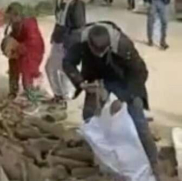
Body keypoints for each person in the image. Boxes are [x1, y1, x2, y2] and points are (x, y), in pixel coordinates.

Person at [62, 21, 159, 178]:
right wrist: (81, 83)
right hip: (96, 77)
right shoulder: (78, 40)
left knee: (138, 121)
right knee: (90, 117)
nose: (99, 54)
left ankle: (154, 165)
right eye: (95, 51)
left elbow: (140, 73)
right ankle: (101, 158)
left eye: (103, 51)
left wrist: (123, 98)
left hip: (123, 79)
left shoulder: (123, 45)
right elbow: (68, 63)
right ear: (89, 45)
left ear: (109, 46)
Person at [45, 0, 86, 107]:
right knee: (50, 67)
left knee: (65, 70)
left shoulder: (77, 3)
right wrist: (54, 34)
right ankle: (58, 94)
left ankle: (66, 98)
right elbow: (59, 20)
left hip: (70, 41)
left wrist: (71, 43)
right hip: (58, 38)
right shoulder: (59, 0)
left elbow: (79, 26)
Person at [2, 2, 45, 99]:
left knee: (27, 72)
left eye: (11, 17)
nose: (9, 19)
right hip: (21, 48)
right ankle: (13, 90)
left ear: (17, 15)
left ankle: (31, 92)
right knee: (12, 65)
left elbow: (33, 42)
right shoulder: (15, 23)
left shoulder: (29, 24)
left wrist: (18, 47)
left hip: (32, 51)